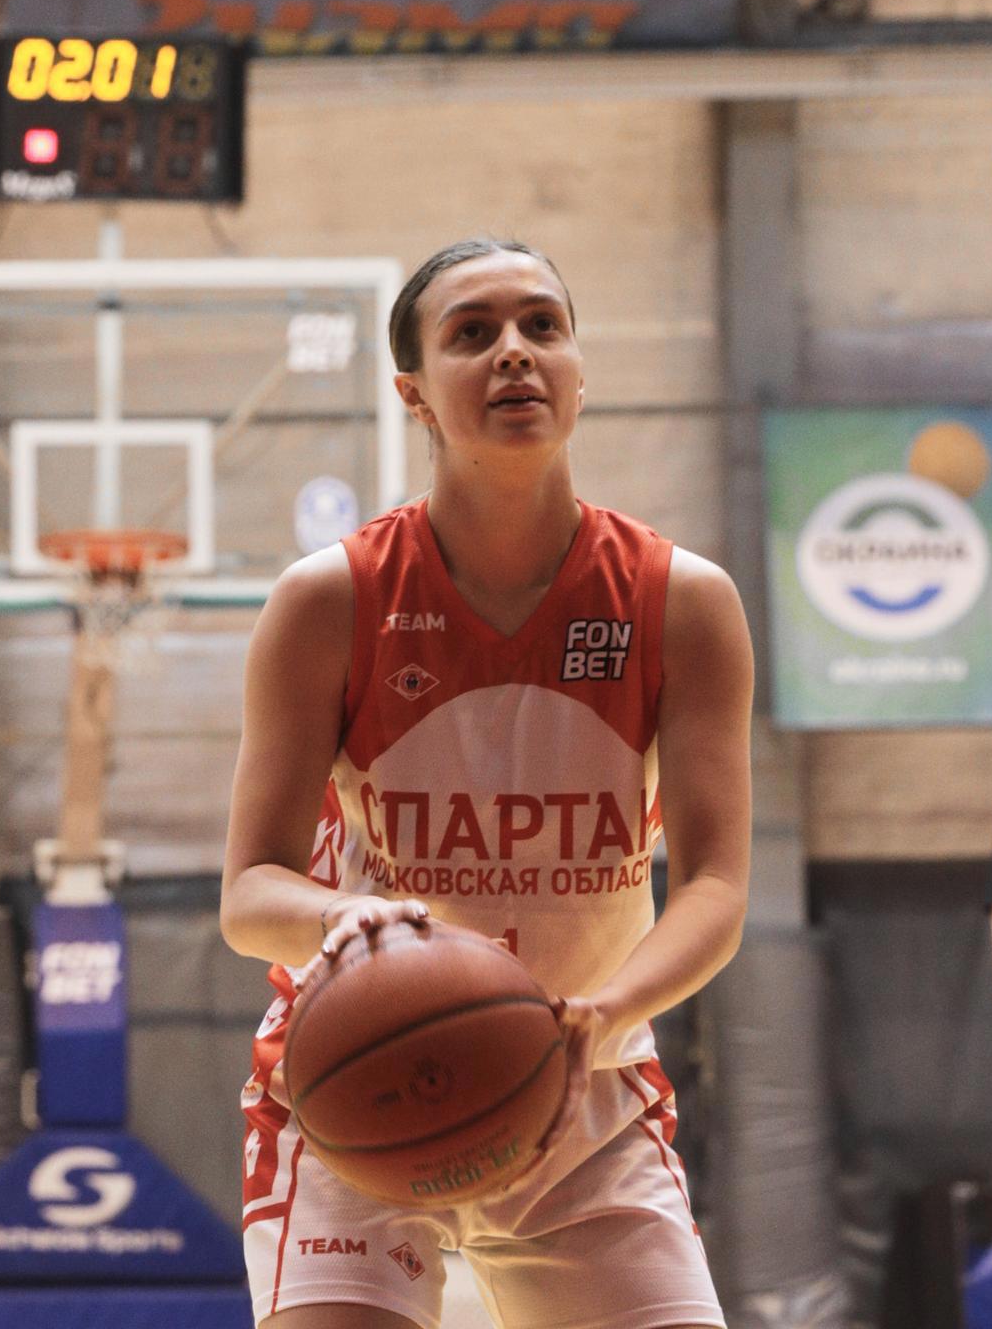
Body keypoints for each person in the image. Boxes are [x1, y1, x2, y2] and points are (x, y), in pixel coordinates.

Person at [222, 236, 753, 1329]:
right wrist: (341, 920)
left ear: (578, 373)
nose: (514, 351)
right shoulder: (329, 600)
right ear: (413, 392)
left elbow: (714, 887)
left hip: (587, 1091)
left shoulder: (680, 600)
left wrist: (606, 1012)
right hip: (358, 1084)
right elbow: (248, 893)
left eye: (540, 326)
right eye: (473, 333)